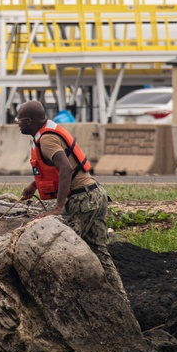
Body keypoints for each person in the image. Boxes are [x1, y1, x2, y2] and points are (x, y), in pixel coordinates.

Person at [15, 100, 128, 298]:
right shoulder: (44, 134)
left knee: (62, 249)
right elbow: (53, 168)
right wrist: (33, 185)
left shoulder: (47, 140)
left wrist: (58, 207)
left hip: (82, 200)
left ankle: (69, 298)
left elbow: (66, 168)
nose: (17, 123)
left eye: (19, 120)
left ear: (29, 121)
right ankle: (120, 299)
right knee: (99, 252)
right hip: (95, 195)